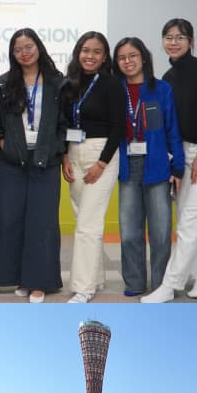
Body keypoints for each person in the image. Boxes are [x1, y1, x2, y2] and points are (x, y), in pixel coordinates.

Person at [142, 18, 197, 303]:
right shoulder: (167, 78)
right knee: (189, 220)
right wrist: (175, 162)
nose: (174, 42)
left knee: (190, 220)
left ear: (191, 41)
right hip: (183, 153)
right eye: (168, 37)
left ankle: (170, 285)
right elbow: (167, 124)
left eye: (180, 37)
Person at [0, 29, 66, 303]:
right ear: (13, 54)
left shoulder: (58, 83)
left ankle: (39, 283)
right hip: (12, 161)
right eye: (18, 49)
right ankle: (20, 278)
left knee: (42, 222)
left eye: (29, 46)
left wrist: (57, 150)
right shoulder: (3, 84)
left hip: (46, 159)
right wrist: (3, 145)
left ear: (39, 47)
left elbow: (64, 122)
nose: (24, 53)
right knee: (10, 220)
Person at [111, 36, 184, 297]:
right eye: (122, 57)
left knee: (161, 231)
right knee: (130, 230)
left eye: (132, 55)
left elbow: (172, 128)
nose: (127, 61)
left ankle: (162, 285)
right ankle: (135, 282)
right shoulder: (115, 90)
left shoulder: (161, 89)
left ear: (143, 58)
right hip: (126, 165)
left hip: (157, 165)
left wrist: (178, 166)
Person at [61, 31, 125, 303]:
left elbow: (119, 127)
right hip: (73, 152)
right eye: (86, 50)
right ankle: (96, 277)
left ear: (104, 57)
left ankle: (83, 288)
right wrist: (65, 156)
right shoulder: (69, 84)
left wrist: (102, 163)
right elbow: (63, 123)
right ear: (78, 52)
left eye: (97, 52)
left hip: (101, 154)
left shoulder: (112, 84)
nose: (90, 56)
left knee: (88, 223)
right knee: (83, 218)